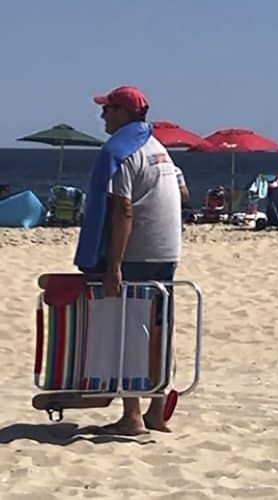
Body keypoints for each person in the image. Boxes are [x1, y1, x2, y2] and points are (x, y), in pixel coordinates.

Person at [77, 85, 182, 434]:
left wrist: (113, 265)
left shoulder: (120, 151)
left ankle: (132, 415)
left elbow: (122, 209)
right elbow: (182, 191)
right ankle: (155, 410)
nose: (102, 115)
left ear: (123, 112)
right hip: (167, 248)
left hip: (138, 251)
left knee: (129, 329)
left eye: (108, 109)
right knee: (159, 327)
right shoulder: (158, 147)